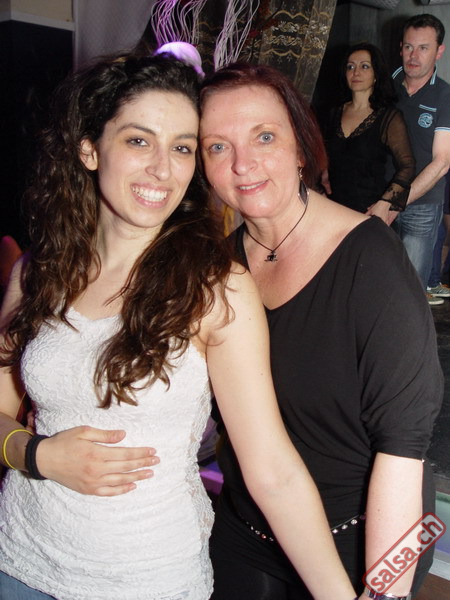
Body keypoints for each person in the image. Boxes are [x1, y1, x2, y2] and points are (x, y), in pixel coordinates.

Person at [0, 53, 358, 600]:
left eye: (183, 148)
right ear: (90, 149)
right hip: (18, 559)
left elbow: (273, 471)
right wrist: (35, 454)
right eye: (138, 141)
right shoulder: (37, 273)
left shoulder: (214, 288)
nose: (162, 170)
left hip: (150, 578)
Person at [199, 62, 443, 600]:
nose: (243, 163)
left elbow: (405, 451)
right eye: (217, 146)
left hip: (366, 537)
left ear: (300, 146)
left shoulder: (370, 259)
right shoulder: (216, 268)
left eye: (264, 136)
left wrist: (384, 593)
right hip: (247, 528)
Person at [391, 14, 450, 305]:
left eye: (423, 48)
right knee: (375, 282)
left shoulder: (445, 95)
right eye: (408, 47)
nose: (414, 56)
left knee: (411, 293)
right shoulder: (383, 85)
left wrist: (395, 202)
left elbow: (442, 162)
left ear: (439, 51)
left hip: (422, 206)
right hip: (377, 198)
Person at [322, 42, 415, 224]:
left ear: (376, 75)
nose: (356, 72)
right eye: (350, 67)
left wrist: (385, 203)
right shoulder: (332, 113)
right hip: (333, 211)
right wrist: (323, 175)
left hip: (368, 212)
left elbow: (408, 166)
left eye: (364, 66)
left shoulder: (389, 117)